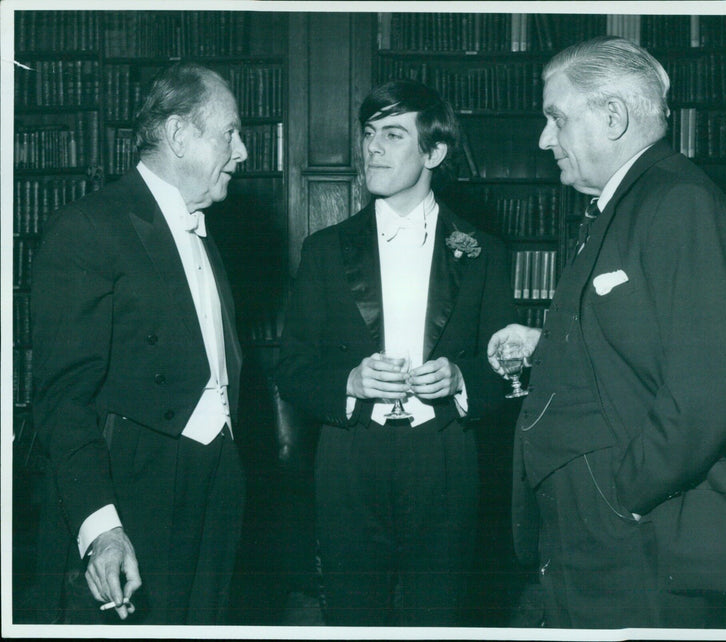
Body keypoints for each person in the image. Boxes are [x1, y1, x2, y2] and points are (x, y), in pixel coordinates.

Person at [488, 36, 726, 629]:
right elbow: (644, 338)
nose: (545, 139)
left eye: (556, 118)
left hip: (634, 533)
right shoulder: (624, 203)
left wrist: (622, 495)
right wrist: (546, 342)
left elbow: (711, 383)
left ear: (613, 116)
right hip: (593, 532)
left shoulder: (680, 201)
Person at [276, 79, 514, 626]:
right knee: (353, 618)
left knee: (441, 618)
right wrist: (350, 383)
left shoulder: (482, 252)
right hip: (349, 458)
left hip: (447, 457)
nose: (372, 148)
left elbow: (506, 370)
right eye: (368, 134)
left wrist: (461, 380)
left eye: (392, 134)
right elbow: (291, 371)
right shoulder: (324, 251)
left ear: (434, 151)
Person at [29, 62, 248, 625]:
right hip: (135, 488)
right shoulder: (87, 227)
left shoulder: (204, 231)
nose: (242, 151)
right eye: (230, 133)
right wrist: (102, 527)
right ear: (179, 135)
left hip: (217, 481)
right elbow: (63, 399)